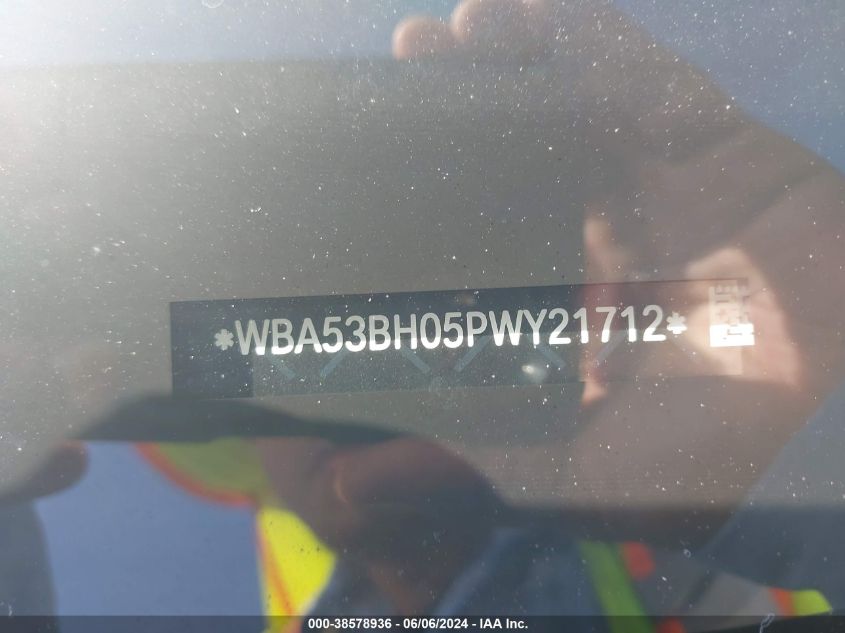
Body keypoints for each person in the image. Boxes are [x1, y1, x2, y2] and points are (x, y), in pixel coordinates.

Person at [4, 0, 844, 627]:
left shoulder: (707, 572)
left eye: (385, 277)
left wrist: (818, 395)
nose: (341, 377)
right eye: (270, 353)